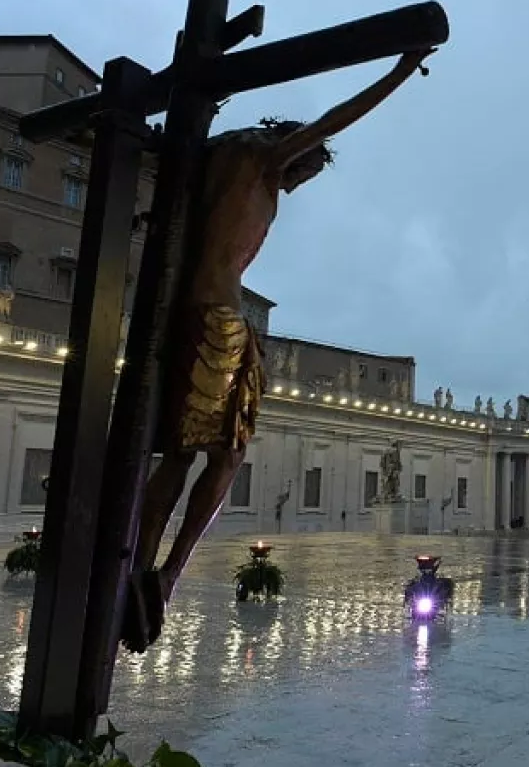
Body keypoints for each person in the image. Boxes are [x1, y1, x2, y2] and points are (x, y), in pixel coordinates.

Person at [120, 48, 436, 654]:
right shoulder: (262, 160)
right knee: (225, 456)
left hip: (192, 313)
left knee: (184, 453)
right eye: (305, 171)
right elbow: (340, 118)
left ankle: (143, 559)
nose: (297, 184)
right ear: (293, 148)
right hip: (218, 320)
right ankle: (168, 571)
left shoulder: (212, 157)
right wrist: (401, 68)